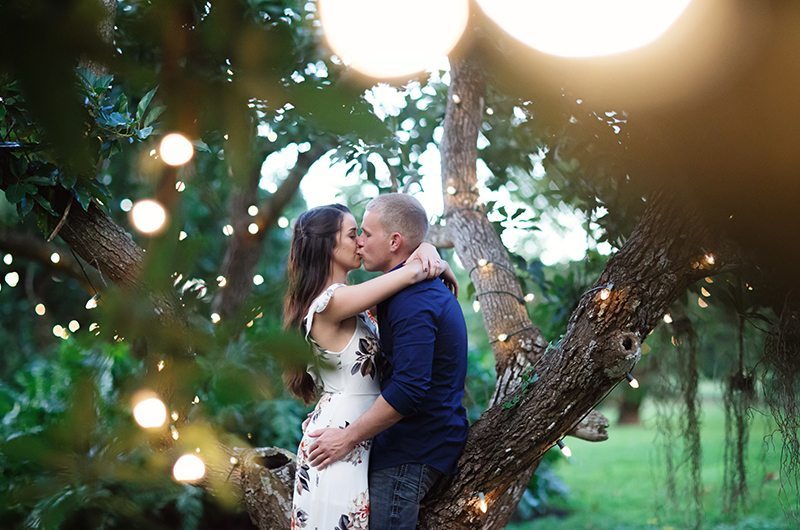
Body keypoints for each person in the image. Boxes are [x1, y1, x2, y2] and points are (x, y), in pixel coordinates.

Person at [283, 203, 456, 530]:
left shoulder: (353, 298)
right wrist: (430, 257)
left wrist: (426, 249)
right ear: (328, 247)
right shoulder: (331, 303)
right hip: (340, 438)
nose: (360, 242)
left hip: (358, 431)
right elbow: (408, 272)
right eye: (353, 234)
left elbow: (404, 270)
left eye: (362, 234)